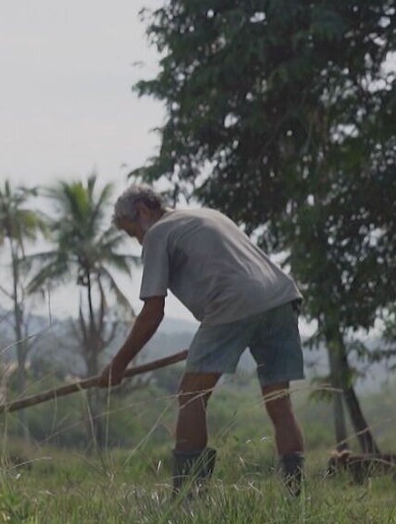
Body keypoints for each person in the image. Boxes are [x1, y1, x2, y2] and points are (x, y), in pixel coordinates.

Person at [95, 183, 306, 497]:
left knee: (191, 396)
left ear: (142, 211)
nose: (138, 240)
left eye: (132, 233)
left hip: (232, 303)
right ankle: (296, 499)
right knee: (279, 402)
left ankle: (188, 499)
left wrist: (119, 364)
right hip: (279, 298)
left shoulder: (157, 233)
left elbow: (153, 311)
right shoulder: (207, 215)